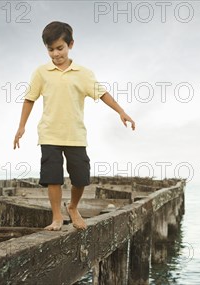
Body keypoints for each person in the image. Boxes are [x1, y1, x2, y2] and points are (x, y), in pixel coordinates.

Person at [13, 21, 135, 231]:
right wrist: (21, 127)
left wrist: (121, 112)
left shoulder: (83, 73)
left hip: (75, 135)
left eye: (60, 48)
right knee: (53, 178)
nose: (55, 54)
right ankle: (57, 217)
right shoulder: (41, 73)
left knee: (80, 177)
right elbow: (29, 99)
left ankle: (73, 206)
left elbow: (102, 93)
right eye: (50, 49)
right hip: (49, 133)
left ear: (71, 45)